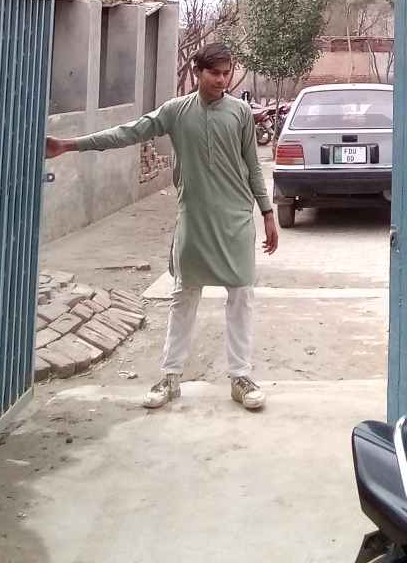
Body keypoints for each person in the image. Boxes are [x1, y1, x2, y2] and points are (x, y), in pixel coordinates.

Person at [45, 41, 279, 412]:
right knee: (183, 296)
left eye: (226, 73)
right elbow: (128, 132)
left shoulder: (239, 113)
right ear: (198, 72)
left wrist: (267, 213)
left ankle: (241, 377)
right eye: (214, 73)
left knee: (241, 297)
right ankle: (170, 376)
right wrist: (70, 145)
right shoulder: (175, 111)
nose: (222, 80)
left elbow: (252, 166)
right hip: (194, 219)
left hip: (235, 219)